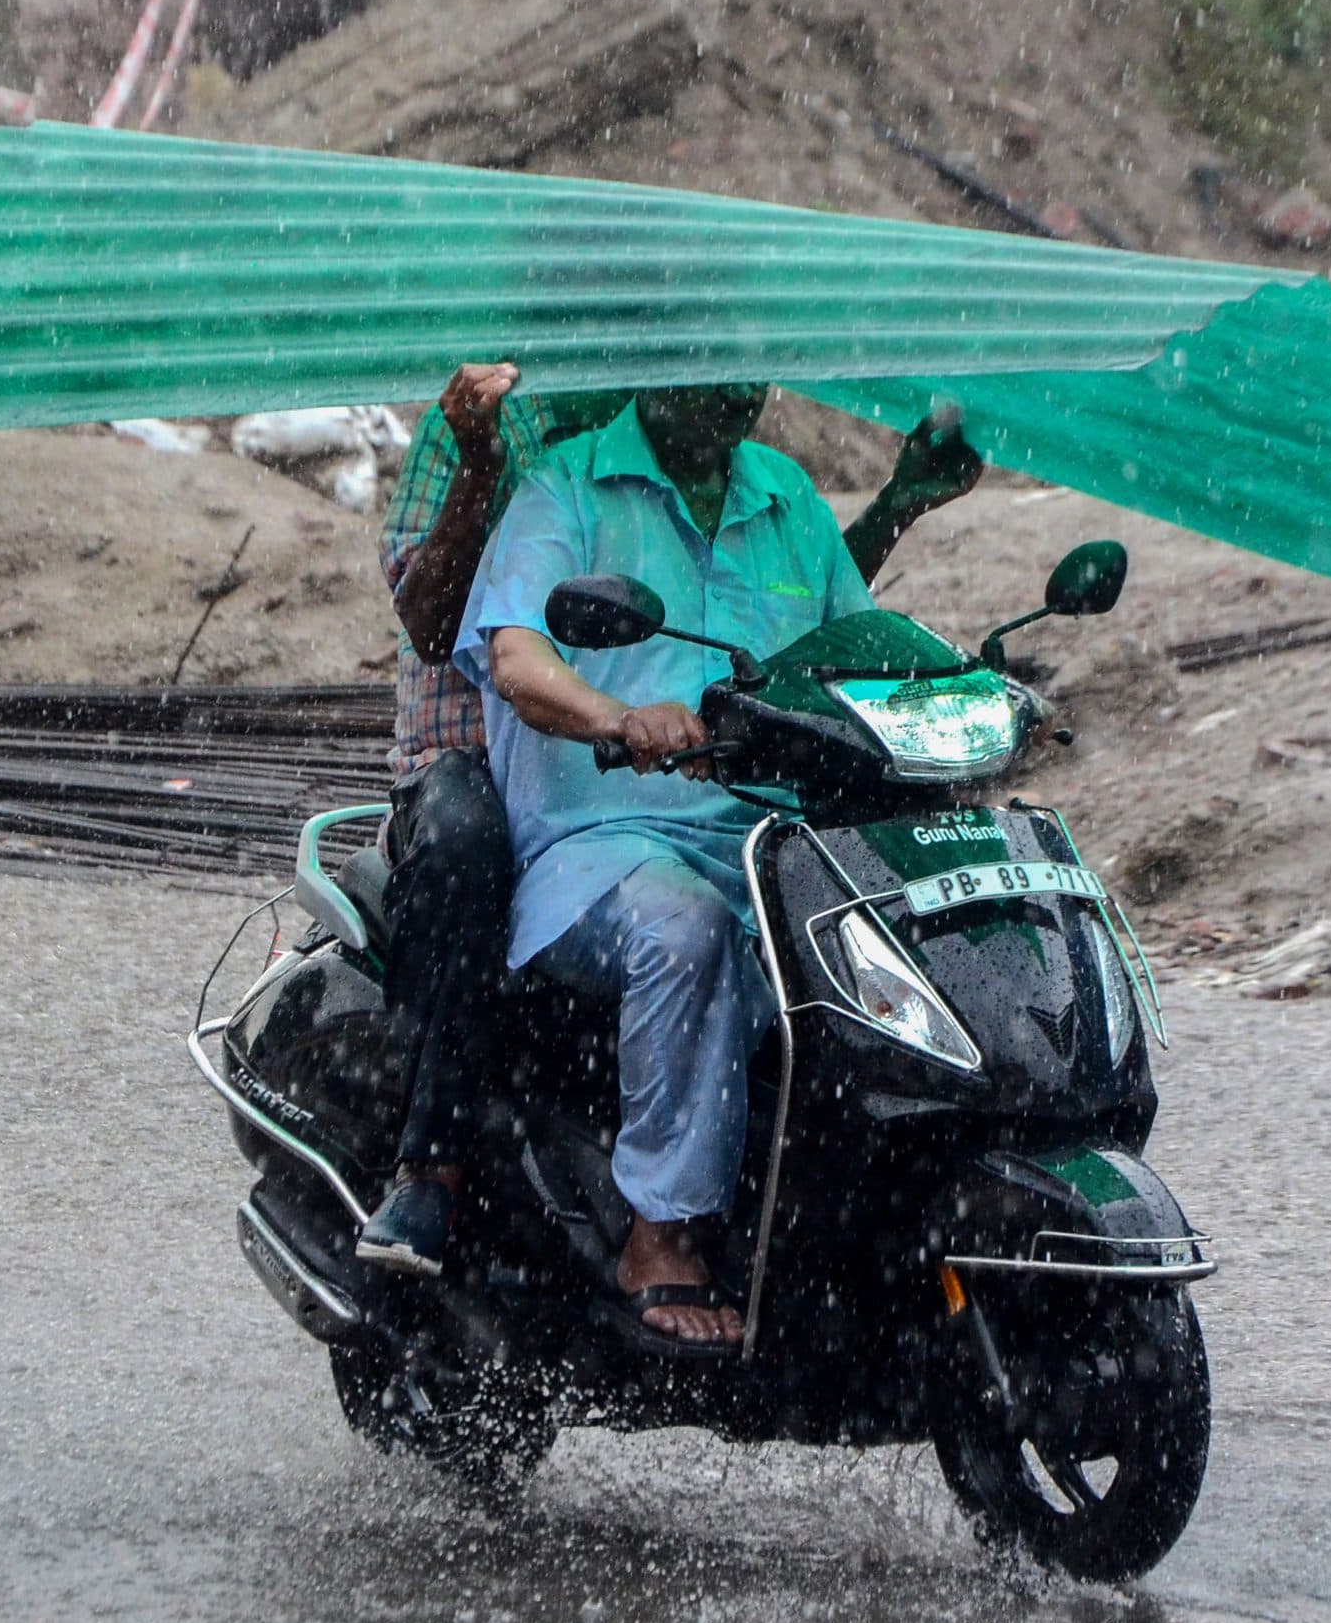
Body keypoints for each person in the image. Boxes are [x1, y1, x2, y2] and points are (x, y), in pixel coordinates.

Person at [455, 384, 979, 1350]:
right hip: (605, 844)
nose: (739, 391)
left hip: (771, 848)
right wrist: (618, 717)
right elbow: (519, 661)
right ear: (659, 369)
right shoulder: (561, 489)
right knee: (684, 925)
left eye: (752, 369)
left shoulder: (785, 496)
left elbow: (852, 651)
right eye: (714, 366)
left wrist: (954, 695)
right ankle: (663, 1236)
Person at [354, 364, 629, 1275]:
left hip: (612, 760)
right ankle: (428, 1165)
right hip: (475, 758)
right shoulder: (489, 413)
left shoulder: (672, 425)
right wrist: (480, 462)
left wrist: (898, 502)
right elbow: (429, 621)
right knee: (473, 847)